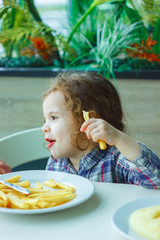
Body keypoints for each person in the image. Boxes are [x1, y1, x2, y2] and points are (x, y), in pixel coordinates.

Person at [42, 71, 160, 189]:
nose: (44, 128)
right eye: (45, 120)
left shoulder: (116, 161)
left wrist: (119, 139)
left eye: (54, 117)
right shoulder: (55, 164)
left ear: (88, 120)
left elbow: (156, 180)